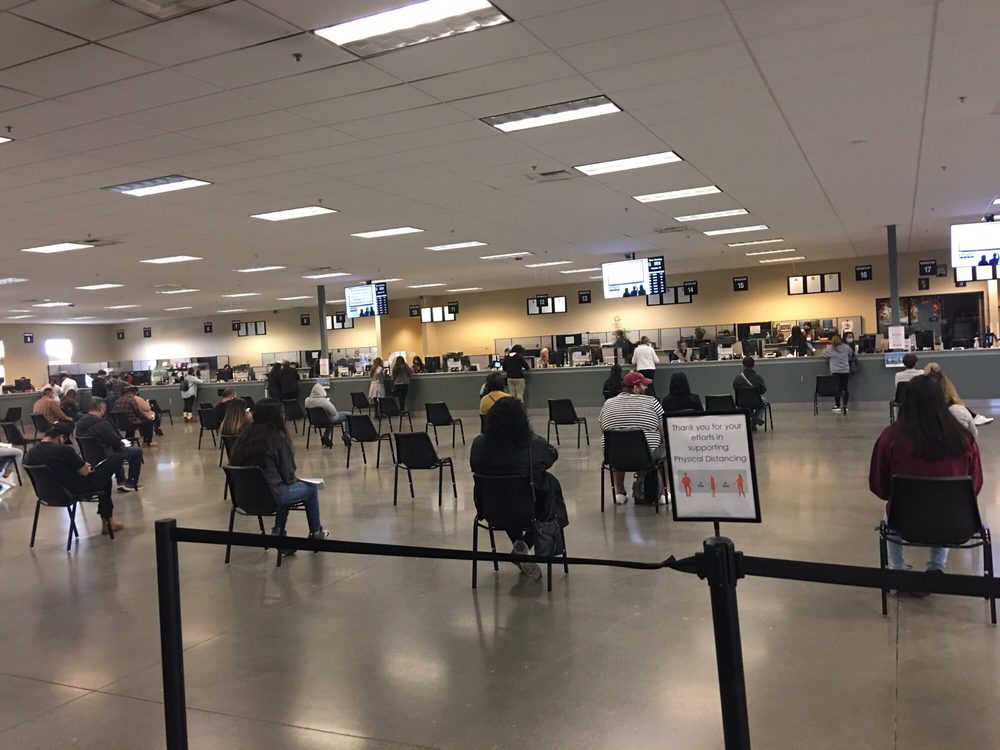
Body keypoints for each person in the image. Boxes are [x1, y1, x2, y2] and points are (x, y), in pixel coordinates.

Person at [869, 375, 983, 588]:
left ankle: (897, 570)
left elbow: (880, 487)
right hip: (955, 521)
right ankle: (936, 567)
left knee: (889, 514)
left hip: (903, 520)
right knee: (947, 503)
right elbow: (974, 487)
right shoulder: (964, 438)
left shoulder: (890, 437)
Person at [470, 396, 568, 578]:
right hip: (530, 510)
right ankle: (524, 546)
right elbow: (551, 456)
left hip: (491, 510)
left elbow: (474, 465)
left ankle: (519, 544)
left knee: (505, 494)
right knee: (546, 487)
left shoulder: (478, 445)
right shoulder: (533, 444)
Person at [230, 399, 329, 545]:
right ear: (277, 416)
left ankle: (279, 532)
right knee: (310, 489)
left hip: (243, 499)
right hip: (272, 498)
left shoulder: (245, 436)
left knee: (280, 488)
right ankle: (315, 533)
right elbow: (288, 476)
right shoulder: (277, 438)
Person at [26, 422, 125, 535]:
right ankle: (107, 521)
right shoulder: (64, 450)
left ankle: (107, 521)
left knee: (103, 480)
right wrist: (86, 468)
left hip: (46, 494)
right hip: (72, 491)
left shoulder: (31, 453)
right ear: (61, 437)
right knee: (109, 468)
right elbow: (84, 472)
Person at [599, 371, 667, 506]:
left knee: (618, 447)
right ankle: (664, 494)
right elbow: (663, 430)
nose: (646, 387)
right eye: (643, 385)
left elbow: (602, 428)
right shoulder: (652, 402)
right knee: (666, 452)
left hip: (613, 456)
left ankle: (620, 493)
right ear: (635, 388)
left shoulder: (608, 403)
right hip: (646, 456)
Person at [76, 398, 143, 492]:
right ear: (101, 409)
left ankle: (121, 481)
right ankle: (131, 483)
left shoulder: (79, 423)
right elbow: (115, 442)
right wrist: (122, 443)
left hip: (89, 457)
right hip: (105, 456)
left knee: (115, 451)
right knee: (136, 451)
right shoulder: (101, 424)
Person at [923, 362, 992, 427]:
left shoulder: (941, 382)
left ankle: (973, 417)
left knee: (956, 402)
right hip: (936, 408)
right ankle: (973, 417)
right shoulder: (935, 382)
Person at [303, 382, 350, 447]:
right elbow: (333, 412)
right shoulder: (323, 401)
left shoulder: (307, 400)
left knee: (327, 418)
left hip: (314, 421)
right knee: (348, 414)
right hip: (328, 420)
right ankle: (347, 435)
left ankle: (325, 437)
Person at [822, 334, 854, 412]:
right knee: (845, 388)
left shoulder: (830, 349)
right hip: (845, 370)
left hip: (835, 371)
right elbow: (851, 353)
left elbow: (823, 354)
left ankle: (837, 405)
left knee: (837, 389)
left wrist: (826, 348)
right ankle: (845, 405)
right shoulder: (846, 347)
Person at [733, 356, 768, 427]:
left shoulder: (738, 378)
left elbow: (734, 387)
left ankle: (752, 419)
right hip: (756, 401)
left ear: (743, 365)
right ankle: (756, 418)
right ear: (753, 365)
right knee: (764, 401)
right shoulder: (758, 378)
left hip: (741, 402)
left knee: (748, 403)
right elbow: (763, 391)